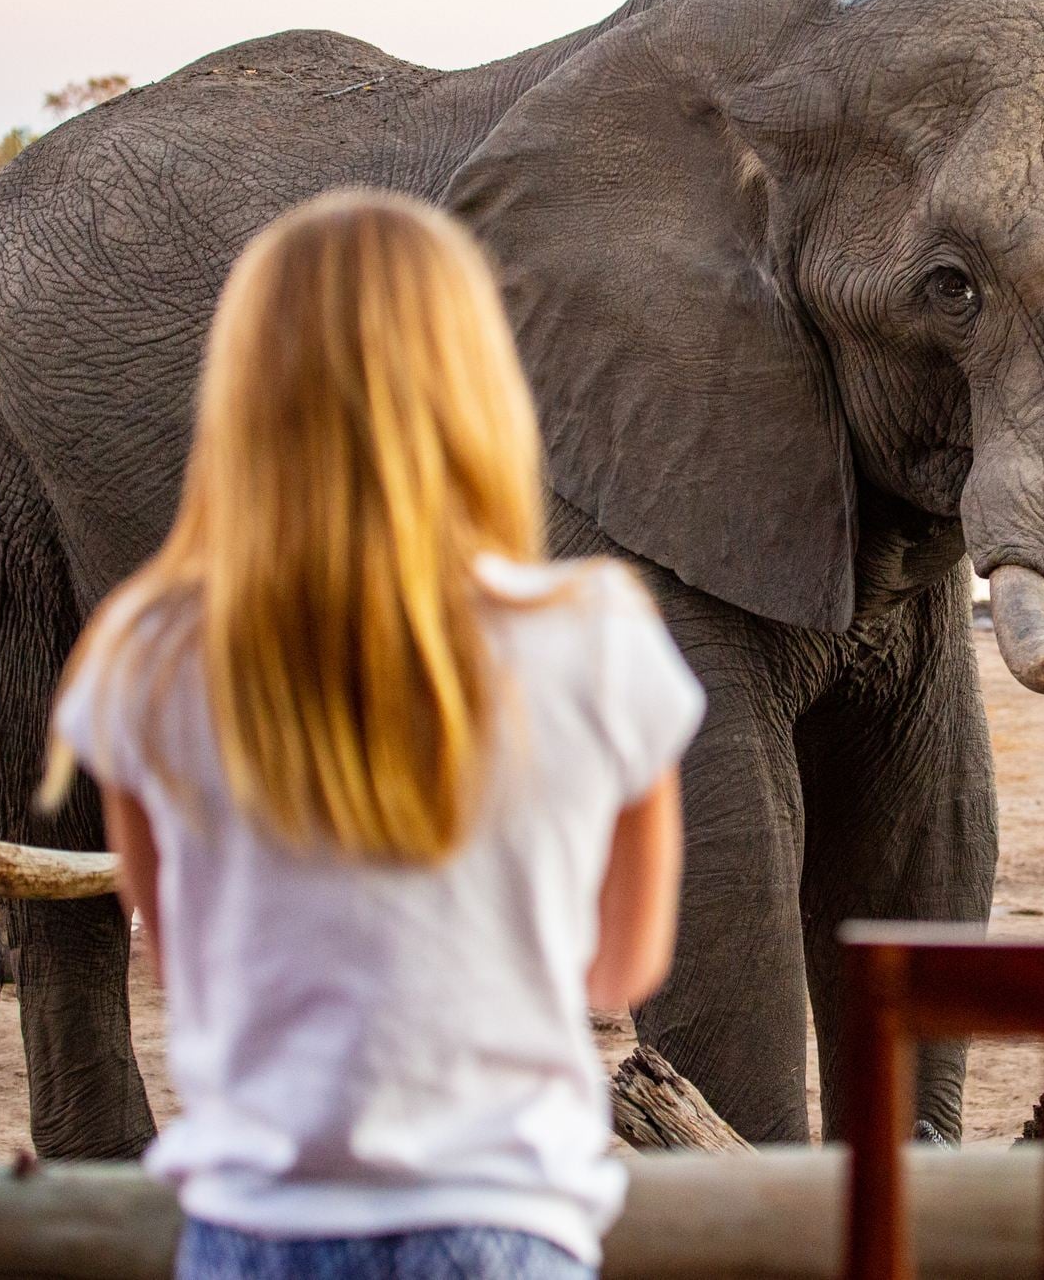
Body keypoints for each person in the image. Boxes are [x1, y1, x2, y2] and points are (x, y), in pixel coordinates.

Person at [40, 189, 701, 1280]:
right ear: (477, 383)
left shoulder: (147, 646)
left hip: (257, 1226)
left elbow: (179, 950)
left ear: (241, 394)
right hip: (508, 1223)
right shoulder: (597, 632)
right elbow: (622, 962)